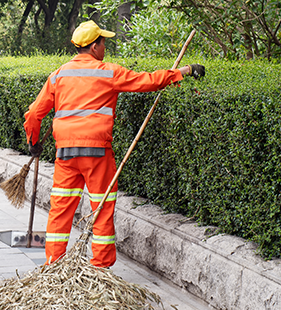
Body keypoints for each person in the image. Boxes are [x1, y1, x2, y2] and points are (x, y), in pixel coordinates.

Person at [24, 20, 205, 268]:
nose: (105, 48)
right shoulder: (108, 72)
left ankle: (54, 264)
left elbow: (34, 114)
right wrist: (183, 71)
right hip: (97, 153)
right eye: (103, 43)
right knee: (101, 209)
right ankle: (100, 267)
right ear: (94, 46)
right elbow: (148, 81)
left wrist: (34, 142)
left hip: (65, 154)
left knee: (61, 210)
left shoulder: (58, 75)